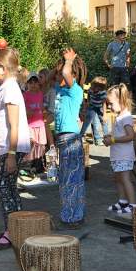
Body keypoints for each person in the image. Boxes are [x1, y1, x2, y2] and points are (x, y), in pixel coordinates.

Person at [0, 45, 31, 250]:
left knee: (3, 188)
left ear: (3, 68)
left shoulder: (11, 90)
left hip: (12, 149)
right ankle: (17, 227)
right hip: (6, 150)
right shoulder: (6, 88)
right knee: (10, 188)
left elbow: (14, 125)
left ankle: (12, 232)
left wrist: (12, 155)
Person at [54, 49, 88, 229]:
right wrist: (60, 64)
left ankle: (73, 217)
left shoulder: (75, 91)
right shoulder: (61, 90)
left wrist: (68, 60)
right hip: (63, 138)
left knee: (72, 180)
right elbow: (47, 80)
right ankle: (72, 215)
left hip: (70, 138)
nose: (60, 74)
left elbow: (66, 72)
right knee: (66, 179)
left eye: (62, 72)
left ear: (73, 75)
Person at [103, 84, 136, 218]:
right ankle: (123, 201)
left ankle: (132, 205)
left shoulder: (126, 117)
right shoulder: (119, 116)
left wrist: (113, 140)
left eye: (111, 104)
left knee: (125, 179)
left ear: (121, 100)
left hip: (124, 155)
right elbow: (119, 133)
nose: (109, 107)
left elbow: (130, 136)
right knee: (118, 178)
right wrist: (110, 137)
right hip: (117, 155)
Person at [23, 73, 46, 173]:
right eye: (31, 83)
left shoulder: (40, 94)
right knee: (31, 144)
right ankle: (29, 166)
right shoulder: (25, 95)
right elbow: (22, 108)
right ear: (27, 84)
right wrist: (27, 112)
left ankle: (39, 166)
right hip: (30, 125)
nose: (33, 85)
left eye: (35, 82)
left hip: (40, 124)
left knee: (41, 145)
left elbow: (42, 107)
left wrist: (44, 113)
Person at [80, 76, 108, 146]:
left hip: (100, 107)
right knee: (87, 121)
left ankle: (107, 137)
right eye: (94, 86)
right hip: (92, 107)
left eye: (98, 88)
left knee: (104, 122)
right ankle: (81, 136)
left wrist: (104, 114)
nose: (95, 89)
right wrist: (86, 106)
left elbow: (104, 103)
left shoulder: (103, 92)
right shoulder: (90, 89)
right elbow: (87, 97)